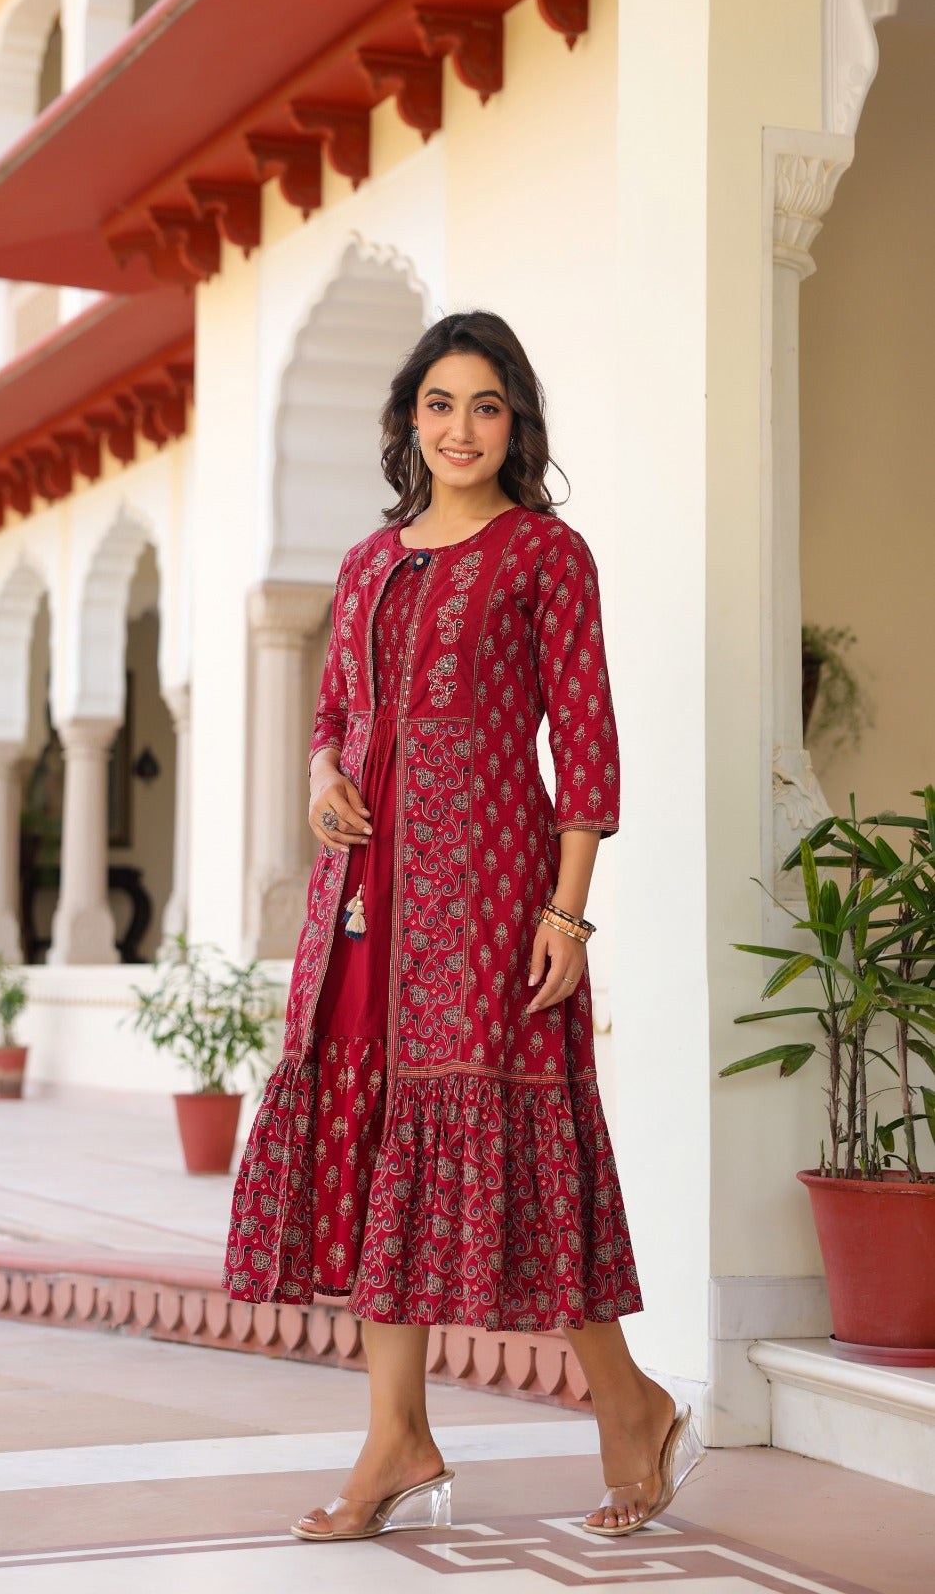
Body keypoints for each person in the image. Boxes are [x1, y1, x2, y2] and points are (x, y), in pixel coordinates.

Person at [222, 311, 704, 1541]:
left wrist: (566, 915)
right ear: (408, 420)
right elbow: (333, 712)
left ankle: (630, 1404)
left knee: (523, 1146)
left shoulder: (546, 554)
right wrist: (323, 774)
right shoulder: (365, 562)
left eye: (485, 405)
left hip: (488, 896)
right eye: (439, 403)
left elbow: (584, 743)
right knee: (377, 1137)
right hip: (361, 905)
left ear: (515, 424)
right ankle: (397, 1436)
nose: (460, 427)